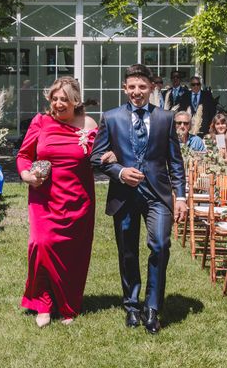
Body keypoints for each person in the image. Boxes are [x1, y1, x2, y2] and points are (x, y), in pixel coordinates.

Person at [91, 64, 187, 335]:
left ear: (152, 88)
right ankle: (133, 305)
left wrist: (181, 197)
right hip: (124, 195)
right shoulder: (111, 118)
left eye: (142, 87)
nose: (137, 92)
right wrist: (120, 172)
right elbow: (96, 158)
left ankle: (153, 308)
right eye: (132, 87)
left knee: (159, 245)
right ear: (125, 89)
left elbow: (175, 163)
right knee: (128, 251)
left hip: (158, 194)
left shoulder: (166, 118)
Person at [17, 76, 98, 328]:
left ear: (76, 100)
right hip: (44, 196)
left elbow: (99, 157)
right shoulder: (40, 122)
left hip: (78, 199)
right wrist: (26, 175)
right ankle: (43, 303)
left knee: (73, 253)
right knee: (41, 245)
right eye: (54, 98)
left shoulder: (88, 124)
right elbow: (23, 155)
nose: (58, 103)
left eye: (64, 98)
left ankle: (68, 304)